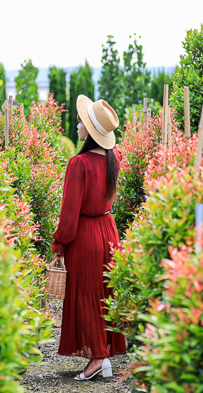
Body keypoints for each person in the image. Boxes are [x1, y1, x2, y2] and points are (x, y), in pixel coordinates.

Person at [51, 95, 127, 381]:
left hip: (84, 236)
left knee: (85, 296)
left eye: (81, 121)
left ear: (90, 130)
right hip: (109, 231)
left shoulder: (79, 163)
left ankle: (97, 358)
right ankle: (102, 355)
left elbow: (69, 215)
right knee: (103, 295)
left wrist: (59, 243)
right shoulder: (114, 157)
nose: (77, 124)